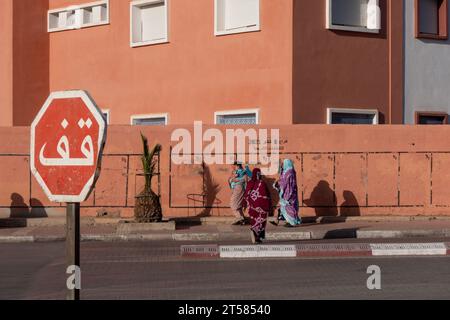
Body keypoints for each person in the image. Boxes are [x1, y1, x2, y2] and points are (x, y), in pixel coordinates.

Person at [244, 168, 271, 244]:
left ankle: (257, 237)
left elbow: (246, 195)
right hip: (259, 207)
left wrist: (250, 203)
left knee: (257, 222)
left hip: (256, 207)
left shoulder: (252, 183)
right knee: (259, 222)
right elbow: (268, 195)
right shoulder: (261, 183)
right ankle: (257, 237)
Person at [273, 159, 302, 227]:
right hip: (290, 192)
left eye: (284, 164)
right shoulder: (289, 171)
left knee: (288, 206)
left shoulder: (289, 173)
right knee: (287, 207)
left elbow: (285, 183)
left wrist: (279, 185)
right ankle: (287, 221)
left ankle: (292, 222)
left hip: (289, 193)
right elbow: (282, 179)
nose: (283, 165)